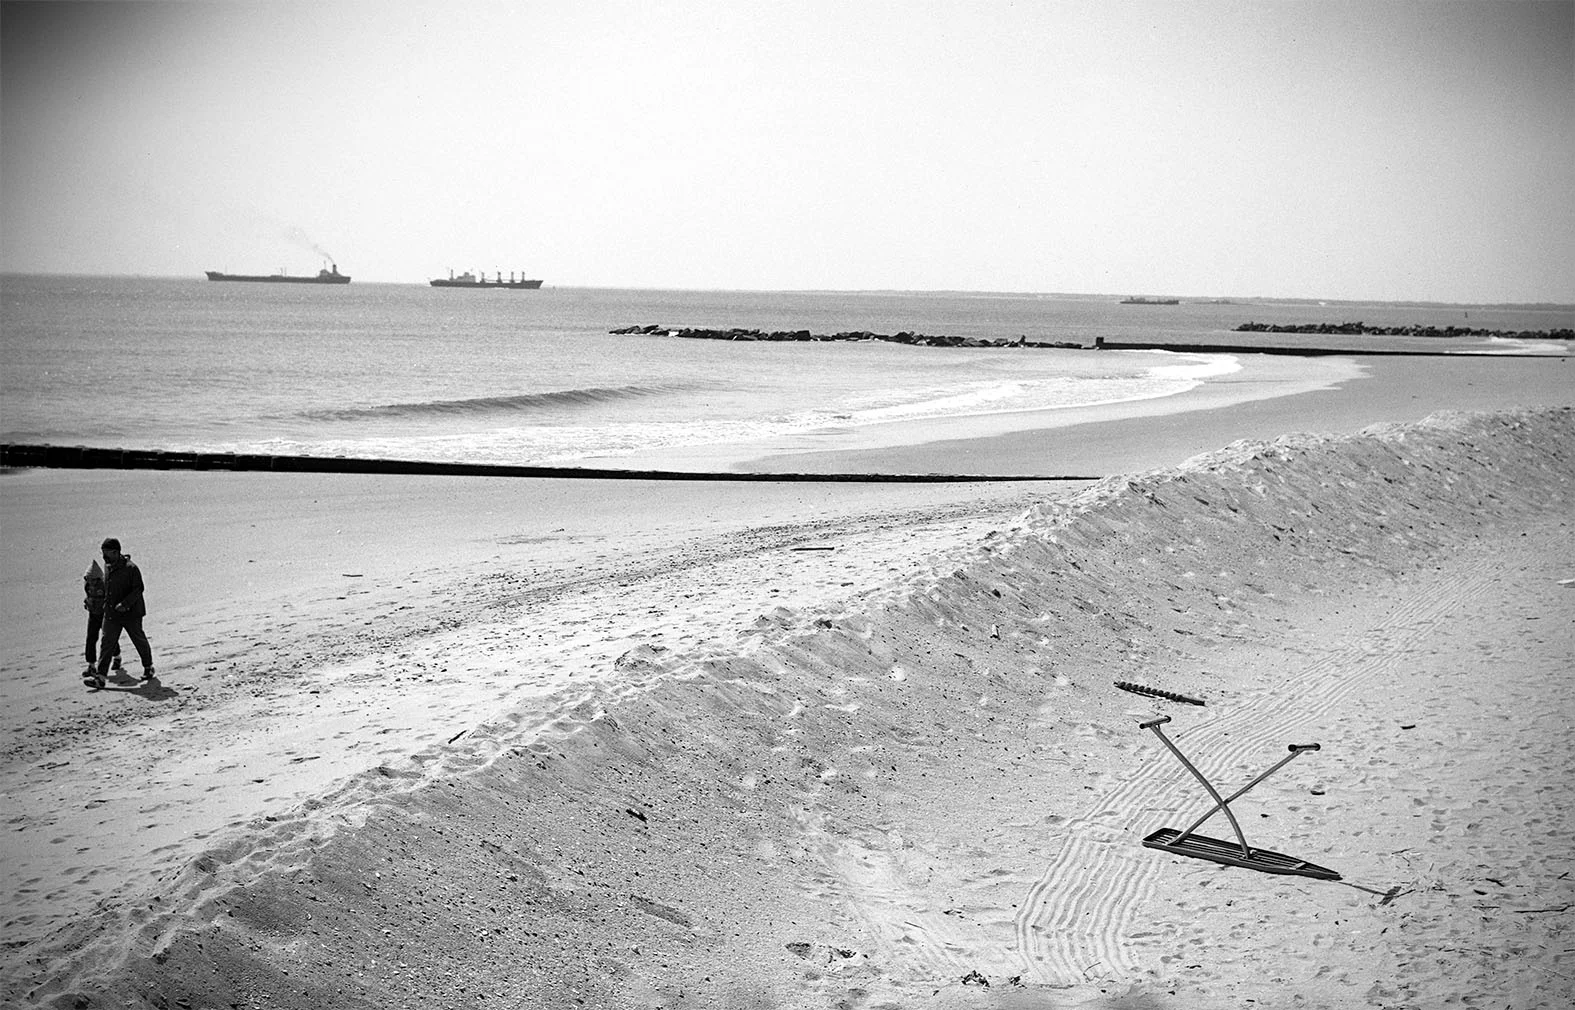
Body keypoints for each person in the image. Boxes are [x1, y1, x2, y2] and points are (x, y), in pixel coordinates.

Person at [89, 538, 155, 687]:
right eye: (102, 552)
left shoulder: (131, 568)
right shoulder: (107, 566)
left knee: (138, 640)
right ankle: (100, 677)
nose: (104, 556)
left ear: (116, 552)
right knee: (106, 643)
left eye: (106, 553)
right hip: (111, 613)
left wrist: (125, 604)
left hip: (131, 614)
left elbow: (138, 589)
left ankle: (148, 667)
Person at [81, 559, 121, 678]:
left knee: (108, 638)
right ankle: (91, 665)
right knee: (91, 639)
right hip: (93, 614)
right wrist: (87, 603)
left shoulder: (104, 585)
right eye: (88, 579)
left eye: (93, 579)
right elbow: (88, 596)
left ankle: (117, 656)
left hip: (104, 615)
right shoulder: (87, 585)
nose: (90, 582)